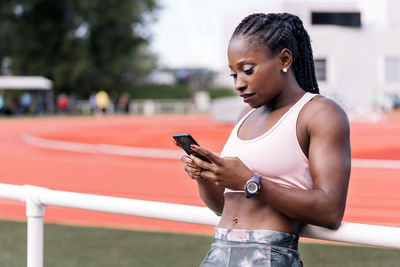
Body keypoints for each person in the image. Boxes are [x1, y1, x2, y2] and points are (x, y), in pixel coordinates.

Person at [178, 13, 351, 266]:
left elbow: (330, 211)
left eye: (247, 70)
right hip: (218, 252)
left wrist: (250, 181)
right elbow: (222, 207)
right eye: (233, 74)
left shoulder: (319, 113)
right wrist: (205, 177)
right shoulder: (247, 114)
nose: (238, 83)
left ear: (284, 59)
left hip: (268, 256)